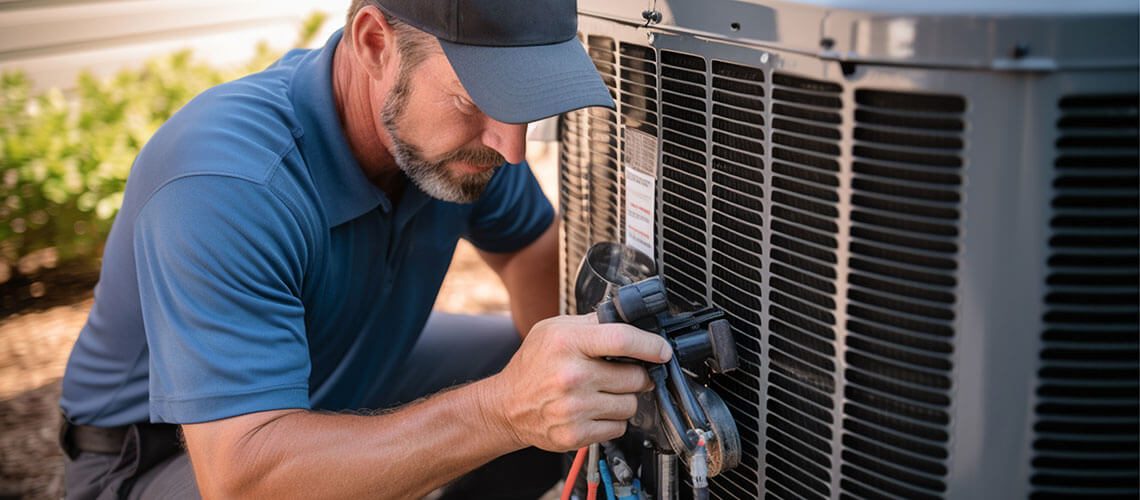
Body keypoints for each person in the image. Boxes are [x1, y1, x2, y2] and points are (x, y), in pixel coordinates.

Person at [56, 0, 672, 498]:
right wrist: (501, 413)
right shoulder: (227, 184)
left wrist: (552, 392)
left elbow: (530, 251)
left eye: (524, 104)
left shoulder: (471, 141)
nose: (510, 149)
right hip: (162, 458)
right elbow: (241, 479)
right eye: (473, 99)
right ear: (375, 42)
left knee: (567, 384)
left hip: (340, 373)